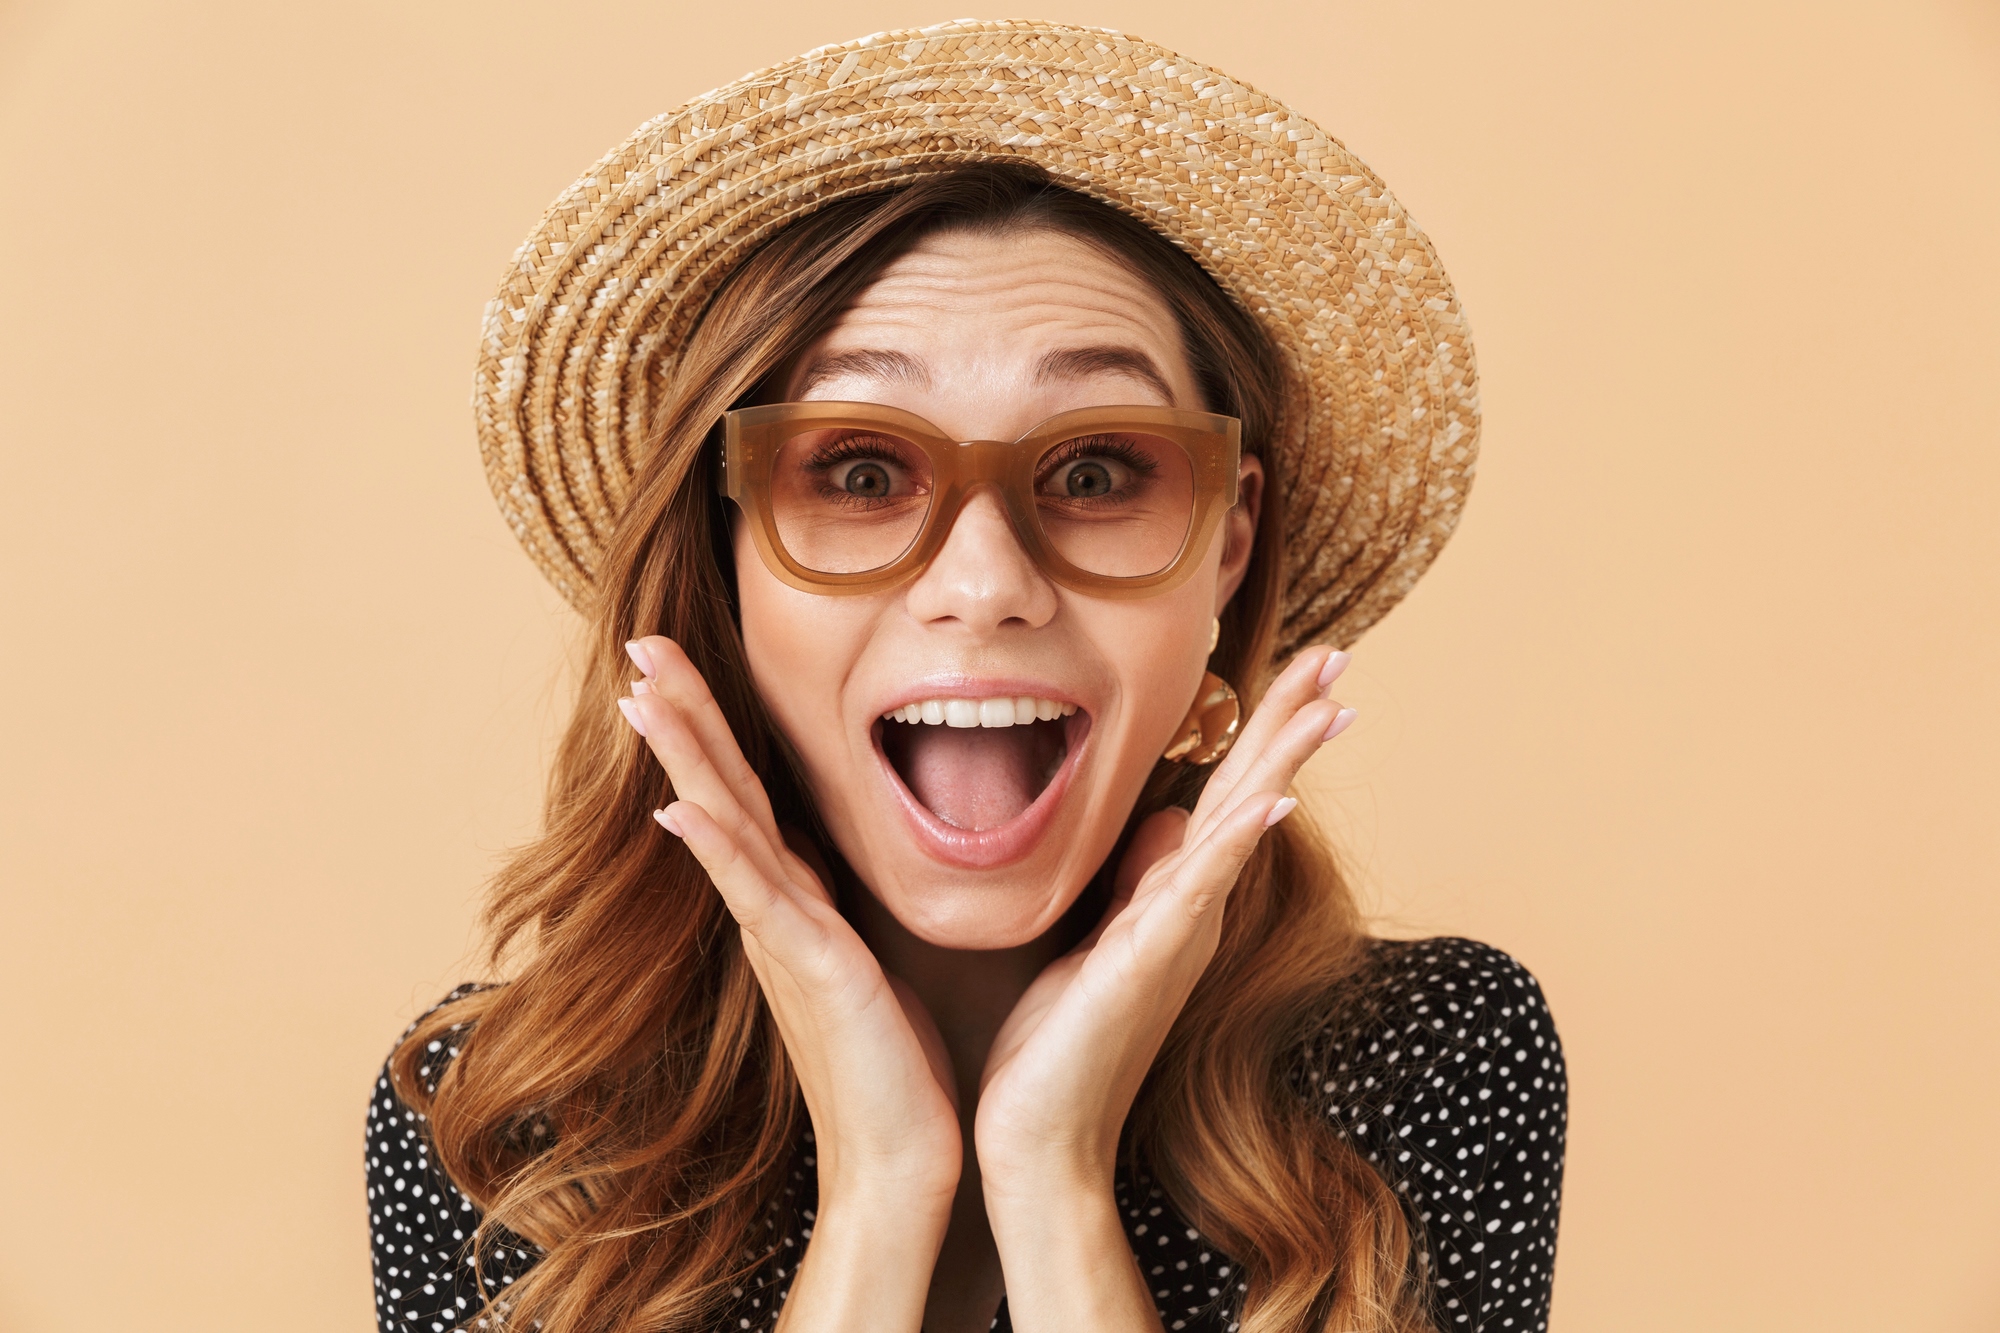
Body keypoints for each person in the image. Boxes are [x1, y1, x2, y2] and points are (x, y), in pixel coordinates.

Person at [364, 22, 1564, 1333]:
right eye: (862, 472)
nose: (985, 578)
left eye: (1097, 470)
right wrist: (884, 1191)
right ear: (729, 564)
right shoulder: (499, 1114)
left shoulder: (1433, 1058)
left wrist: (1053, 1181)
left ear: (1226, 548)